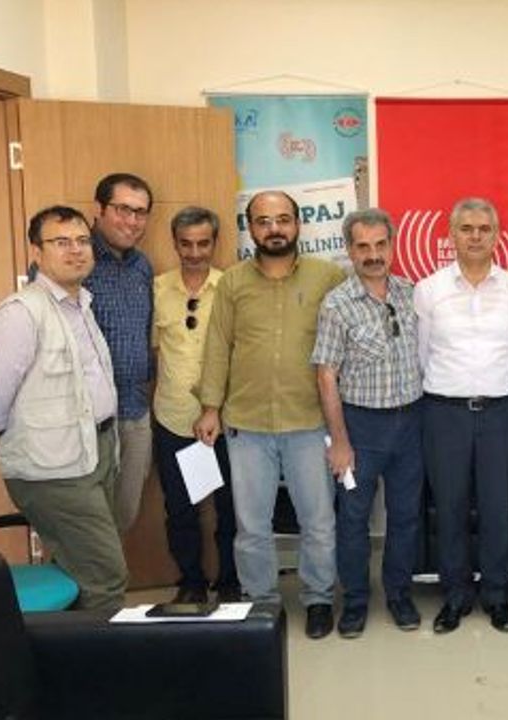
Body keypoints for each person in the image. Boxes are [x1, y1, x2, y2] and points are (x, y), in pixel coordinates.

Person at [194, 190, 345, 639]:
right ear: (251, 228)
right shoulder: (232, 283)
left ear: (298, 224)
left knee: (318, 521)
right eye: (263, 221)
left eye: (282, 219)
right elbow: (218, 346)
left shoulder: (328, 277)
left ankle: (318, 598)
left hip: (309, 420)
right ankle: (261, 602)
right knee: (251, 525)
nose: (274, 228)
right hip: (247, 423)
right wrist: (210, 407)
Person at [0, 205, 127, 610]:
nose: (76, 250)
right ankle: (102, 652)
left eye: (82, 241)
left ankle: (65, 646)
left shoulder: (81, 304)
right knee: (105, 575)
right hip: (54, 467)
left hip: (96, 450)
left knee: (78, 568)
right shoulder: (21, 313)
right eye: (61, 242)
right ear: (37, 252)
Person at [414, 197, 508, 634]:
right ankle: (455, 596)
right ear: (452, 235)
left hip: (500, 412)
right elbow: (422, 355)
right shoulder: (429, 290)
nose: (476, 236)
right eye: (466, 228)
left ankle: (497, 596)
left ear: (497, 235)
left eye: (484, 229)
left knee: (497, 507)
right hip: (444, 413)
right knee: (450, 507)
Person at [312, 208, 424, 638]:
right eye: (363, 247)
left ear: (392, 246)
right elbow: (326, 376)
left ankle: (399, 594)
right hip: (360, 426)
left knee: (405, 515)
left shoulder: (410, 293)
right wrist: (340, 442)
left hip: (410, 422)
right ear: (350, 250)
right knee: (353, 518)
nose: (373, 255)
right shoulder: (336, 305)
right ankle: (356, 601)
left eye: (380, 245)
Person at [151, 206, 239, 605]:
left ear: (215, 243)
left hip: (225, 419)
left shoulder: (231, 287)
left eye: (203, 243)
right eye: (186, 244)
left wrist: (215, 407)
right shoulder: (157, 289)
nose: (195, 252)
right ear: (174, 244)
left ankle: (231, 580)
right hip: (173, 418)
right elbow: (154, 351)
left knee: (230, 507)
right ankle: (191, 581)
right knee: (180, 509)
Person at [85, 173, 155, 533]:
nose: (132, 221)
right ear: (99, 209)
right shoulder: (75, 259)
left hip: (134, 411)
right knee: (86, 527)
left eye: (140, 212)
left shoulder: (142, 266)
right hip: (86, 418)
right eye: (123, 209)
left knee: (124, 517)